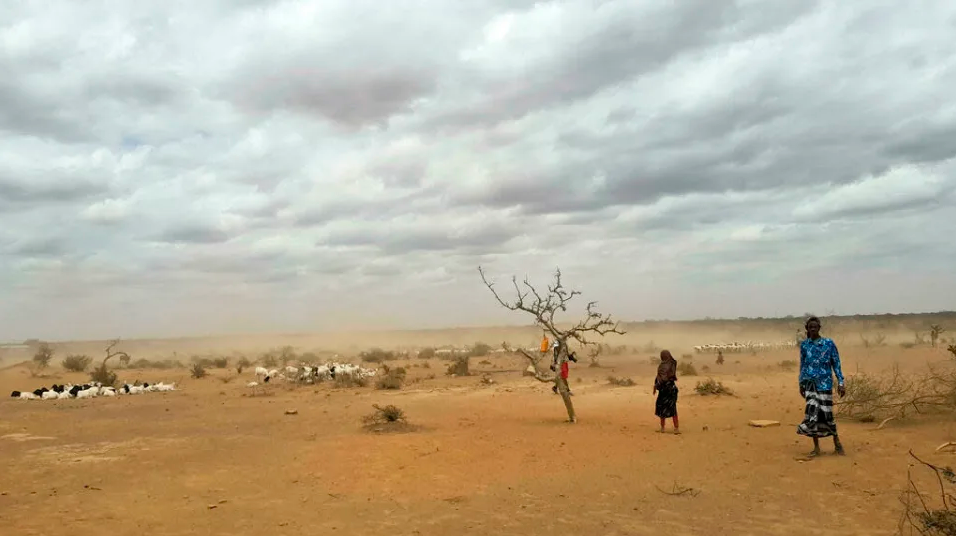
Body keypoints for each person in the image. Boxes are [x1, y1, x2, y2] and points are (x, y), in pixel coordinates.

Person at [797, 316, 846, 457]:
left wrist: (841, 382)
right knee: (812, 415)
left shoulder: (828, 343)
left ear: (819, 328)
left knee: (827, 415)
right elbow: (803, 365)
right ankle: (816, 448)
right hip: (810, 385)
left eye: (815, 327)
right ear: (807, 329)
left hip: (825, 385)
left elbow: (836, 363)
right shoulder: (805, 345)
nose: (813, 329)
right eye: (810, 327)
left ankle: (837, 444)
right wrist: (801, 383)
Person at [653, 350, 680, 434]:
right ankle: (676, 428)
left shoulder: (663, 365)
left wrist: (656, 386)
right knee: (673, 408)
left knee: (661, 408)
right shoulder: (672, 364)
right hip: (672, 389)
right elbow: (674, 362)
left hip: (664, 390)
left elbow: (663, 378)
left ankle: (662, 428)